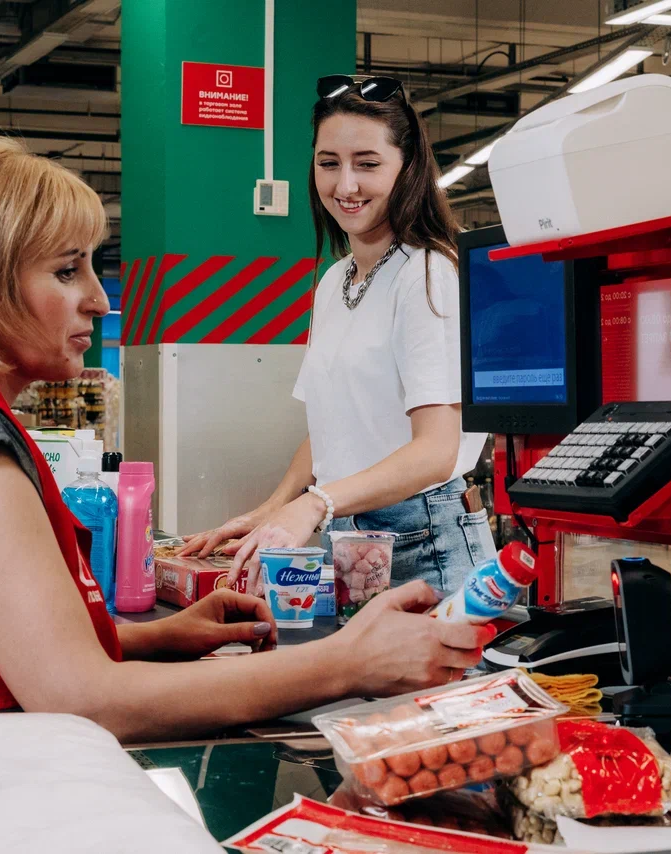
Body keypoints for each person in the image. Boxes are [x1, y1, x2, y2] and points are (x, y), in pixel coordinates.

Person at [0, 130, 493, 741]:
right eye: (67, 271)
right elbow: (82, 700)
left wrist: (153, 638)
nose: (99, 299)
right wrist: (343, 665)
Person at [182, 75, 493, 595]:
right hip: (352, 535)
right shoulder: (334, 281)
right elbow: (332, 428)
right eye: (329, 163)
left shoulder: (429, 275)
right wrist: (271, 509)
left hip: (426, 541)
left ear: (408, 168)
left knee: (434, 681)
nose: (345, 185)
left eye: (367, 164)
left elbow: (436, 450)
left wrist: (314, 504)